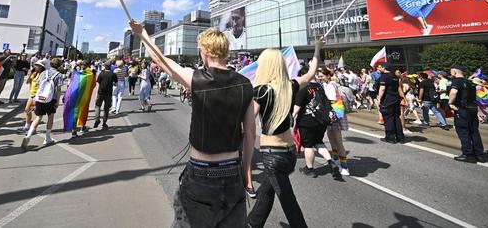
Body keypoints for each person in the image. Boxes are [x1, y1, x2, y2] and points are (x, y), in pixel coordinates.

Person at [130, 21, 254, 227]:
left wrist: (142, 33)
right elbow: (250, 134)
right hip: (233, 173)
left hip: (201, 173)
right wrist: (247, 173)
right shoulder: (245, 84)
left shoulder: (197, 78)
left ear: (205, 51)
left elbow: (161, 61)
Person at [246, 40, 324, 228]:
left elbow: (248, 125)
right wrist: (316, 49)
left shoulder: (261, 91)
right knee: (267, 192)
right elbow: (311, 73)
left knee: (288, 202)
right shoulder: (290, 86)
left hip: (272, 155)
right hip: (289, 153)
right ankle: (252, 223)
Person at [293, 67, 342, 181]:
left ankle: (309, 169)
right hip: (322, 121)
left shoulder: (303, 87)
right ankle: (331, 162)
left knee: (308, 145)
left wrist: (292, 117)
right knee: (318, 142)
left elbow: (298, 106)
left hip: (307, 121)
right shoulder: (319, 86)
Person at [21, 58, 63, 149]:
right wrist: (57, 101)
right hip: (51, 99)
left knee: (38, 117)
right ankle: (47, 137)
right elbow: (58, 90)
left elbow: (39, 85)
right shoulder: (59, 75)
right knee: (50, 117)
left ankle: (29, 134)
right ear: (59, 66)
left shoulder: (44, 73)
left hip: (40, 98)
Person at [448, 64, 485, 162]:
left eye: (451, 71)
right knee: (474, 131)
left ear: (455, 71)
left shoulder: (456, 81)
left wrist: (450, 103)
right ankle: (479, 154)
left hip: (462, 109)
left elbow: (453, 92)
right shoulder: (470, 82)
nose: (450, 73)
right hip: (472, 109)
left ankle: (468, 154)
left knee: (464, 132)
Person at [320, 67, 351, 176]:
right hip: (331, 115)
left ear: (328, 75)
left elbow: (332, 99)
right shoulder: (327, 85)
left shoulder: (331, 85)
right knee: (332, 137)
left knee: (338, 141)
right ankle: (336, 159)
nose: (321, 78)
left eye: (322, 76)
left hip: (334, 115)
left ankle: (344, 166)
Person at [377, 63, 405, 144]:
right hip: (395, 99)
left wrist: (379, 99)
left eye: (380, 67)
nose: (379, 69)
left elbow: (382, 88)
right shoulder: (395, 77)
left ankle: (390, 137)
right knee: (396, 118)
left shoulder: (384, 76)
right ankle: (400, 137)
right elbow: (398, 88)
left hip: (387, 100)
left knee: (388, 119)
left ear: (384, 68)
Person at [93, 62, 115, 129]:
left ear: (104, 66)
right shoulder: (112, 74)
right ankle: (104, 123)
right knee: (106, 108)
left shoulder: (101, 74)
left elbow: (98, 82)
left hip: (100, 92)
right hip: (109, 93)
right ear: (110, 66)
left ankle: (97, 119)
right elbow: (115, 82)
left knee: (97, 106)